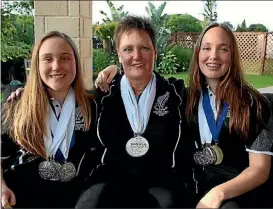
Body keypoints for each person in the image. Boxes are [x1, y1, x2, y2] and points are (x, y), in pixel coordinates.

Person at [95, 22, 273, 208]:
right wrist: (114, 70)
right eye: (206, 48)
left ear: (232, 55)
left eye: (223, 49)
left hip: (235, 195)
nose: (213, 56)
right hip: (194, 189)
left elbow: (259, 169)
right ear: (198, 54)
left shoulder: (255, 105)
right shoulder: (185, 97)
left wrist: (218, 194)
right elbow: (140, 81)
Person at [75, 15, 190, 208]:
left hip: (161, 179)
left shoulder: (176, 93)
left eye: (144, 48)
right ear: (119, 55)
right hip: (109, 178)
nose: (136, 56)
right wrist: (21, 94)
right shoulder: (102, 96)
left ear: (155, 51)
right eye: (128, 49)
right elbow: (61, 95)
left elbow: (212, 89)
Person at [1, 31, 101, 208]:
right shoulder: (16, 105)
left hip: (74, 200)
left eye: (65, 58)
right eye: (47, 59)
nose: (56, 66)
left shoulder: (93, 106)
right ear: (36, 65)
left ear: (76, 62)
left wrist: (113, 69)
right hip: (20, 199)